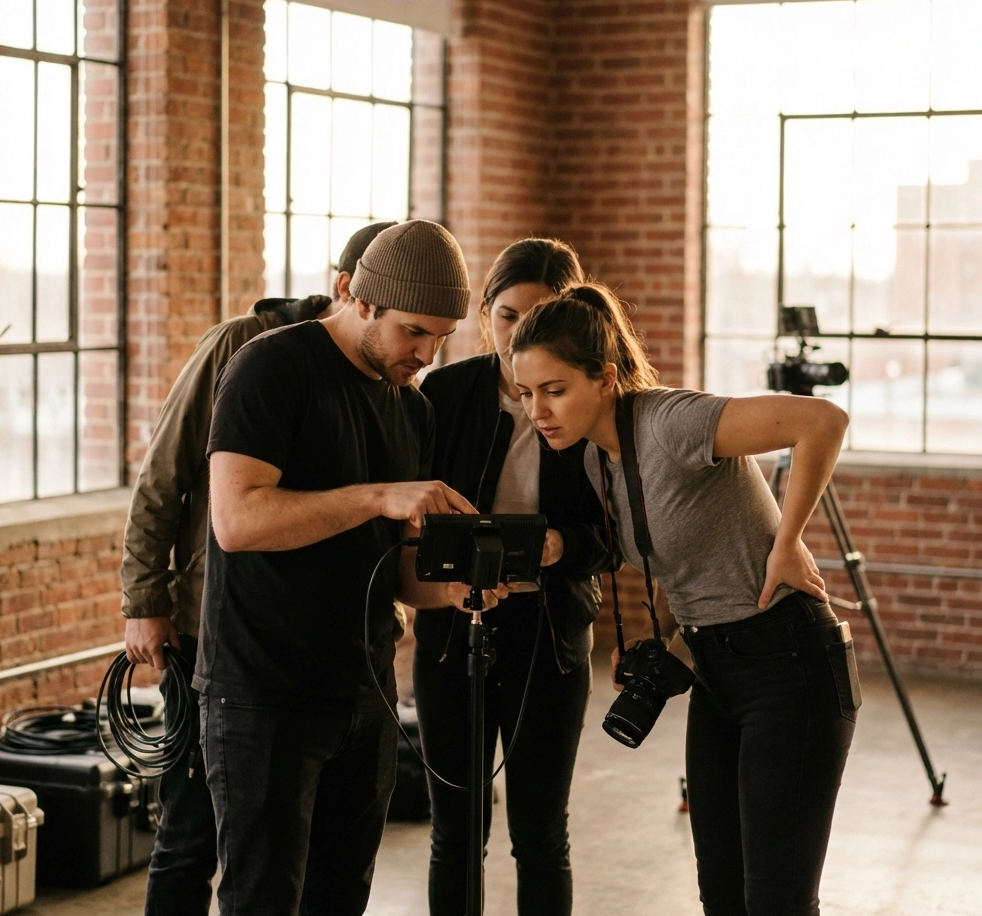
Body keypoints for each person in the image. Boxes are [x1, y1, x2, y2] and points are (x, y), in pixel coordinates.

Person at [510, 283, 859, 916]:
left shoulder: (674, 420)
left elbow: (822, 421)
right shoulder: (598, 460)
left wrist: (788, 541)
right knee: (721, 896)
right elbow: (677, 563)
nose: (538, 410)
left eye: (554, 390)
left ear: (606, 377)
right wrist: (660, 642)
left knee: (775, 900)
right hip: (716, 671)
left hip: (790, 665)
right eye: (526, 393)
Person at [198, 220, 506, 916]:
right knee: (262, 899)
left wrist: (455, 589)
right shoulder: (271, 367)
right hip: (262, 693)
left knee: (342, 900)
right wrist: (377, 495)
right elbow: (236, 522)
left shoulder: (414, 410)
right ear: (356, 297)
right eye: (414, 332)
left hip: (364, 692)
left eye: (441, 338)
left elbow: (396, 573)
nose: (426, 354)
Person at [119, 221, 396, 916]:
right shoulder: (243, 350)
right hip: (209, 634)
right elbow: (163, 479)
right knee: (191, 835)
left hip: (312, 652)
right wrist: (143, 600)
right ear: (351, 291)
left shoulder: (385, 383)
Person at [414, 239, 610, 916]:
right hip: (451, 629)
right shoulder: (444, 391)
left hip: (550, 634)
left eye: (539, 317)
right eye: (506, 316)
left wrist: (563, 544)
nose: (518, 333)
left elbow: (619, 531)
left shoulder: (595, 402)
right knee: (456, 834)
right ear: (482, 315)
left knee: (540, 833)